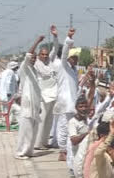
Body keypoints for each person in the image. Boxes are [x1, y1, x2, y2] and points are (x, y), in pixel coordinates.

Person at [15, 35, 45, 160]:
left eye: (35, 58)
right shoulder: (24, 68)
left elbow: (37, 89)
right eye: (32, 57)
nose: (33, 59)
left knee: (33, 130)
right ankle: (20, 152)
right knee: (25, 130)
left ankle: (29, 150)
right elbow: (28, 55)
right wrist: (37, 41)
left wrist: (39, 105)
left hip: (35, 104)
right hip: (27, 105)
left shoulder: (34, 70)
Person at [55, 28, 80, 165]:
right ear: (69, 58)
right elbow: (63, 54)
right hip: (65, 103)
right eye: (74, 57)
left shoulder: (74, 70)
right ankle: (62, 151)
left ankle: (68, 149)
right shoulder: (63, 66)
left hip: (72, 103)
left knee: (70, 126)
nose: (76, 59)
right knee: (63, 126)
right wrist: (68, 39)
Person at [34, 25, 59, 149]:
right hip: (43, 96)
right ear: (39, 55)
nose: (45, 56)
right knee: (42, 120)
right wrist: (37, 41)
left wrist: (55, 36)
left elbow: (56, 48)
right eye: (42, 54)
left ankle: (44, 142)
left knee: (49, 120)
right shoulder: (37, 64)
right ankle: (37, 143)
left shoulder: (50, 61)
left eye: (46, 55)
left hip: (53, 94)